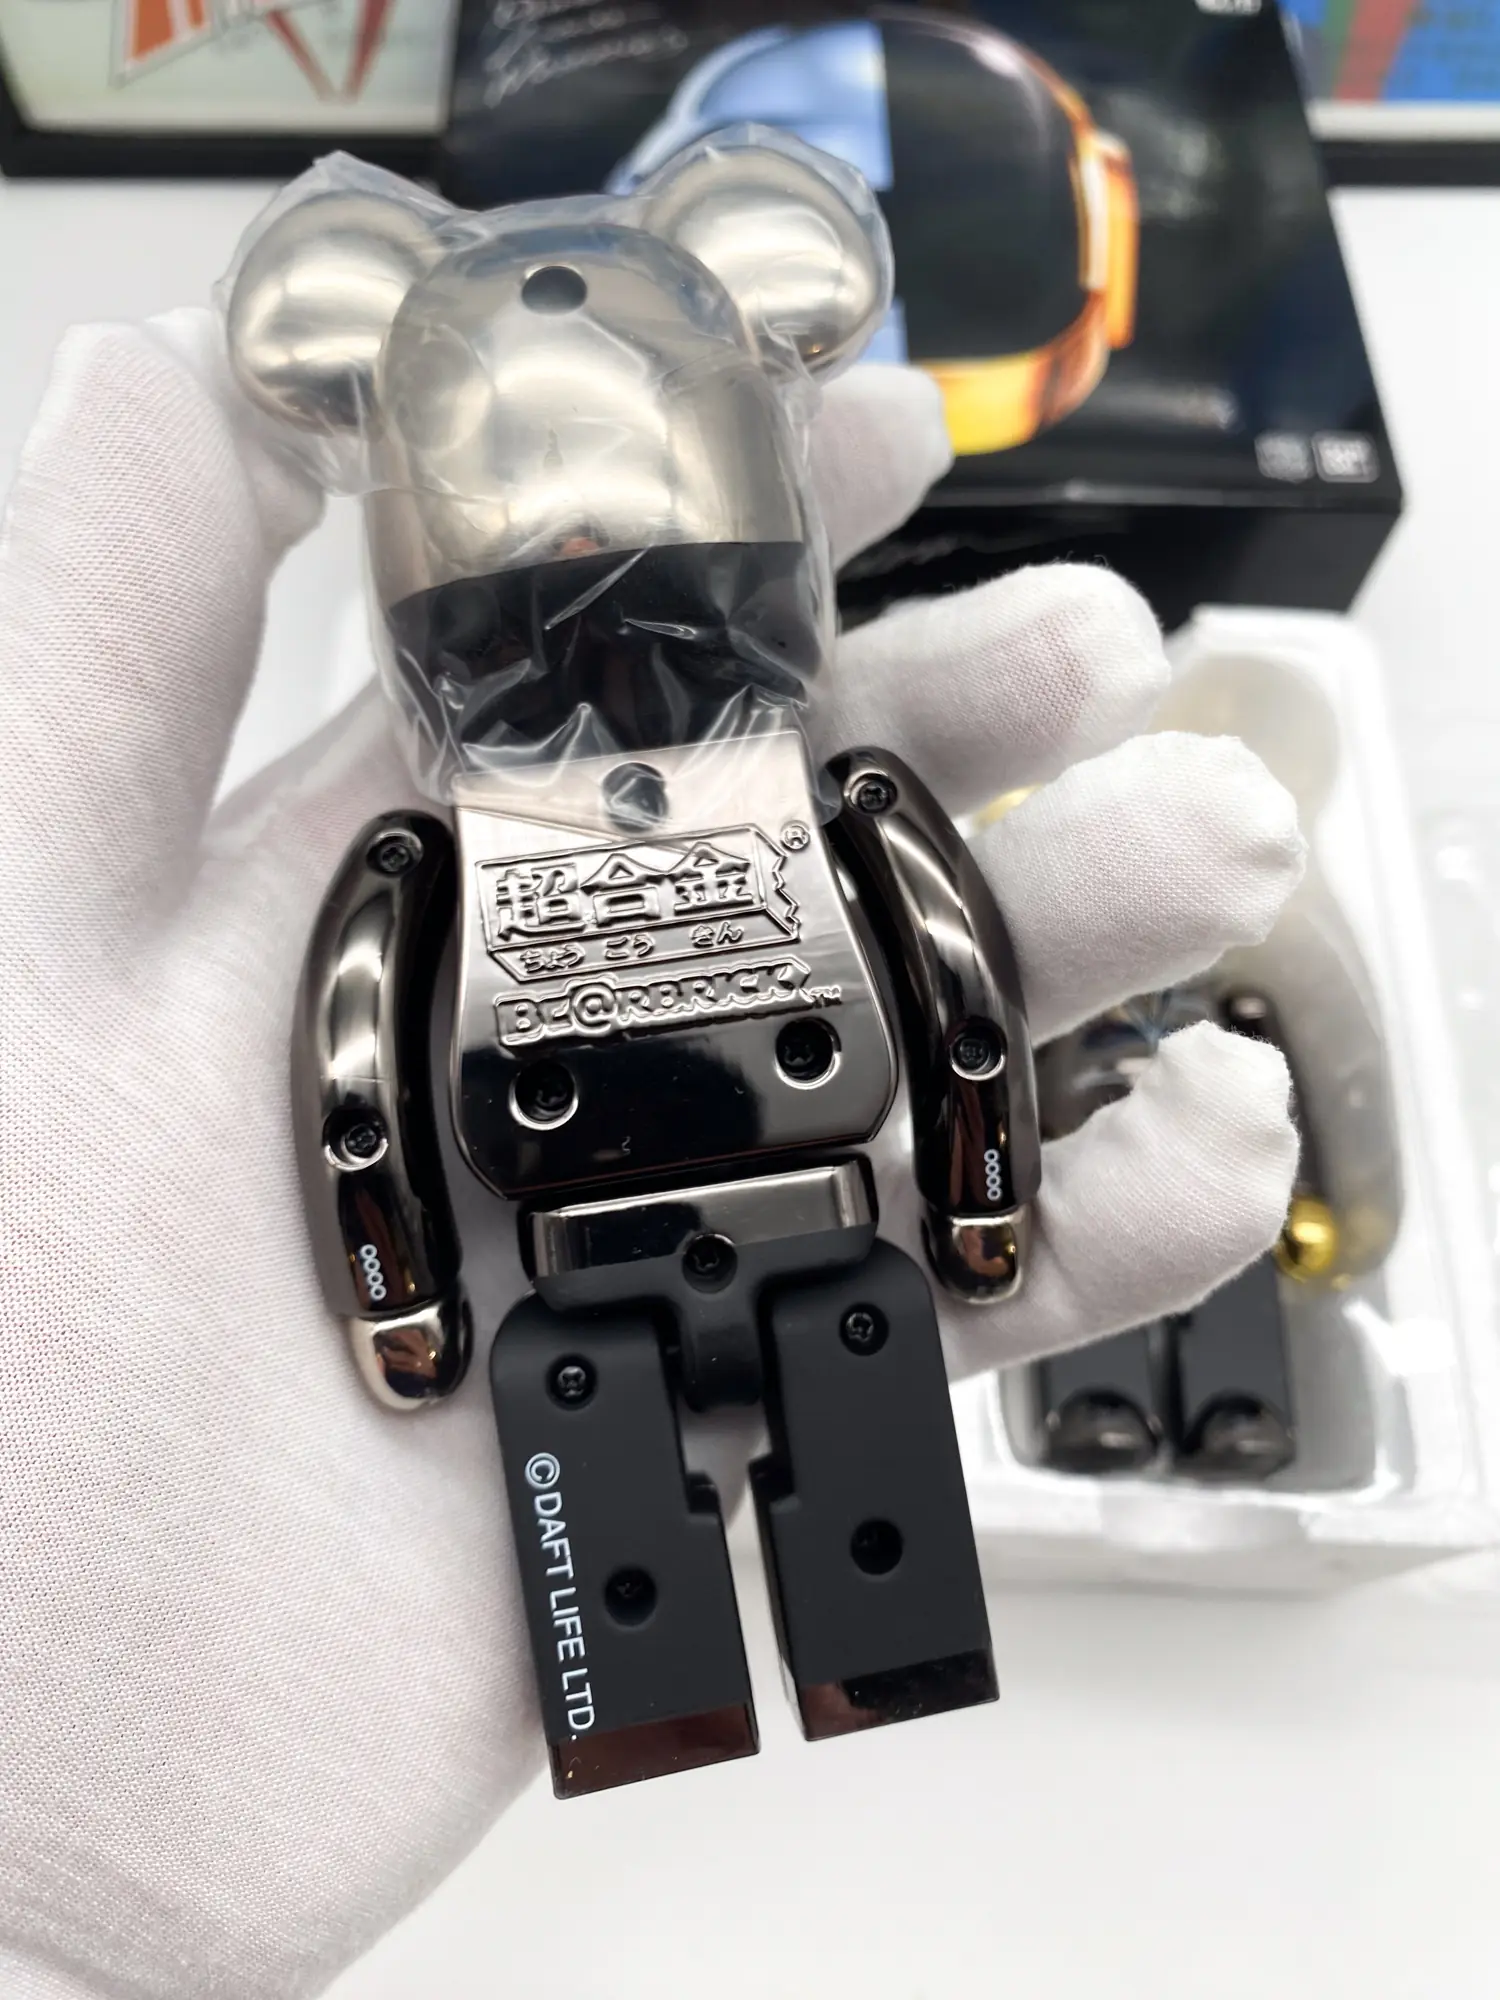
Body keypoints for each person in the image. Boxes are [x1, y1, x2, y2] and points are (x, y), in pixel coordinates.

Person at [0, 307, 1302, 2000]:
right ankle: (670, 1685)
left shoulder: (767, 803)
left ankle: (855, 1649)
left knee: (853, 1492)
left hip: (784, 1241)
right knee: (660, 1496)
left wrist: (984, 1177)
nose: (587, 584)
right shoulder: (448, 850)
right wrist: (401, 1289)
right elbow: (361, 1069)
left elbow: (951, 981)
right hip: (605, 1288)